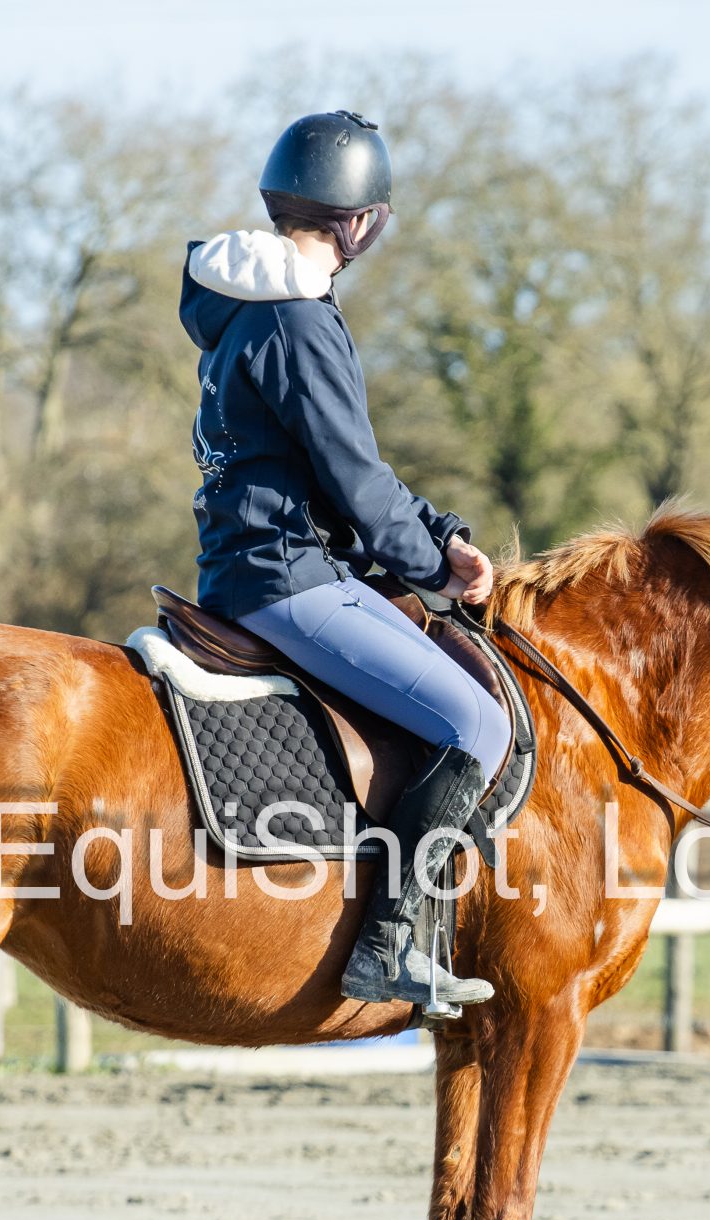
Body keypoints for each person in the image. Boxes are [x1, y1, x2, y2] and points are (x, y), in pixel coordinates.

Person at [178, 111, 509, 1016]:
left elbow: (335, 471)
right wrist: (438, 566)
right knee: (475, 725)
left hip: (246, 568)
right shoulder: (298, 320)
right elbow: (357, 484)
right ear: (360, 221)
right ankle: (387, 946)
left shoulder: (242, 309)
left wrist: (434, 534)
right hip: (290, 580)